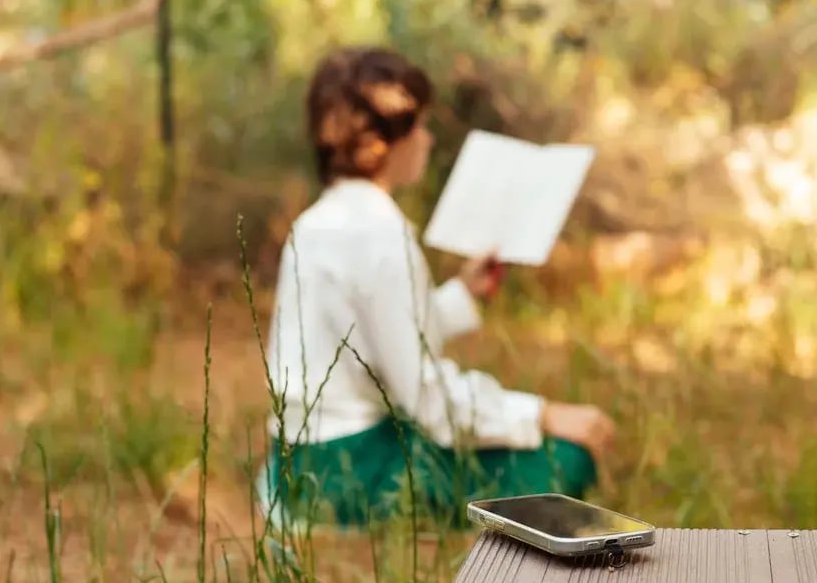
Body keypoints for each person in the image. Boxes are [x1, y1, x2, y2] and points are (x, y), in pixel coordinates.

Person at [258, 47, 615, 529]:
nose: (427, 140)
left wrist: (463, 294)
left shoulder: (314, 223)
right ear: (385, 142)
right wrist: (543, 415)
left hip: (295, 460)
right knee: (568, 462)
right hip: (353, 468)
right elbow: (428, 400)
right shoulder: (383, 235)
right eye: (420, 126)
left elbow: (371, 339)